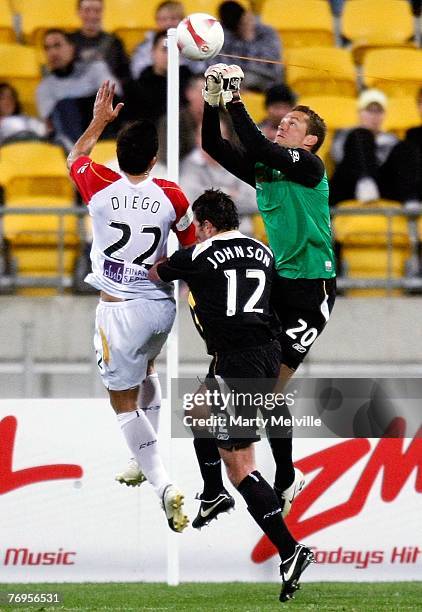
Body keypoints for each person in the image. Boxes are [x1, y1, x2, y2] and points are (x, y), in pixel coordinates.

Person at [148, 188, 316, 602]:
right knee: (197, 409)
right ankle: (212, 493)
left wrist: (175, 244)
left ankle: (290, 549)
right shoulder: (261, 250)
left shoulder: (200, 254)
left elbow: (156, 273)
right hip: (263, 351)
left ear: (205, 225)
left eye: (198, 227)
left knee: (240, 466)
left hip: (238, 360)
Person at [192, 63, 336, 527]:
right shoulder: (269, 172)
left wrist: (234, 99)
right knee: (257, 385)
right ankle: (262, 478)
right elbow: (213, 145)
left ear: (310, 140)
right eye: (285, 119)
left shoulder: (310, 167)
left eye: (295, 123)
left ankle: (284, 474)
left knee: (270, 388)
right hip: (278, 285)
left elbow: (254, 142)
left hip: (311, 292)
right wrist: (213, 105)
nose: (285, 123)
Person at [67, 80, 196, 532]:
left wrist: (99, 121)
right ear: (155, 159)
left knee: (121, 400)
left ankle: (162, 484)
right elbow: (190, 243)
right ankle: (140, 461)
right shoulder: (171, 194)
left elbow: (75, 158)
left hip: (117, 307)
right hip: (160, 307)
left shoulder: (98, 182)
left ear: (118, 155)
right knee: (148, 372)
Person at [330, 89, 421, 207]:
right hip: (350, 182)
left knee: (407, 147)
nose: (374, 116)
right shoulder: (346, 134)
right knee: (363, 134)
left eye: (379, 111)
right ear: (359, 113)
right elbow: (337, 157)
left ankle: (411, 199)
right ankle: (365, 182)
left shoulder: (392, 141)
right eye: (369, 110)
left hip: (381, 185)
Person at [37, 29, 121, 148]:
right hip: (70, 143)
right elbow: (52, 125)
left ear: (71, 48)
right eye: (47, 48)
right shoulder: (44, 88)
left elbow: (115, 98)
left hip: (105, 132)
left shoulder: (96, 69)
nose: (53, 52)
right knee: (64, 107)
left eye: (57, 45)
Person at [124, 30, 192, 125]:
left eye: (175, 50)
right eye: (165, 50)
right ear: (153, 52)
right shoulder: (136, 88)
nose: (170, 55)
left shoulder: (190, 83)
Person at [130, 1, 205, 79]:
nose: (168, 23)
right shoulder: (145, 46)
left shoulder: (193, 45)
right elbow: (138, 71)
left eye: (173, 18)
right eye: (163, 19)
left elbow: (200, 71)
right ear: (156, 21)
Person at [218, 1, 282, 92]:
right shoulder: (225, 33)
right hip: (235, 79)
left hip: (267, 78)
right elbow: (222, 64)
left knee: (248, 79)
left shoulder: (267, 33)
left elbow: (269, 65)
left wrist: (248, 39)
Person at [69, 0, 131, 86]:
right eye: (87, 10)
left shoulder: (115, 42)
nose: (92, 15)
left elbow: (125, 75)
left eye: (97, 11)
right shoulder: (68, 42)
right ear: (78, 12)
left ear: (102, 13)